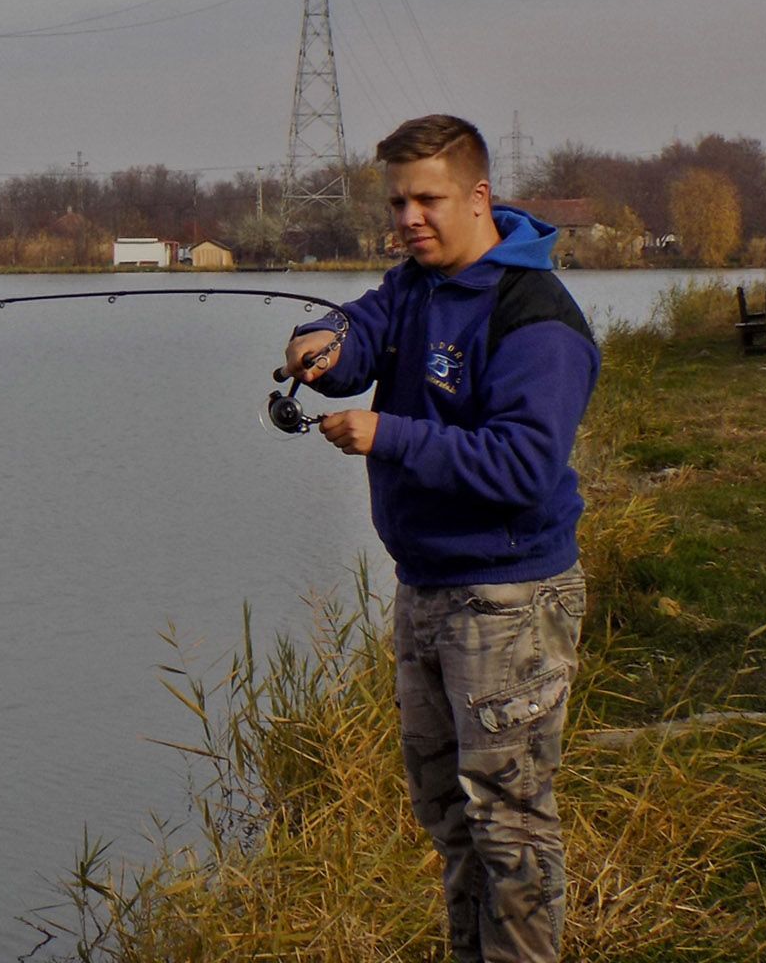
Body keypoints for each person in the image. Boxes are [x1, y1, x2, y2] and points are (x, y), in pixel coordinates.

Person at [282, 114, 599, 963]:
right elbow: (364, 329)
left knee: (510, 828)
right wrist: (322, 344)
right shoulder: (413, 284)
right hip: (425, 586)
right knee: (451, 821)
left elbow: (524, 466)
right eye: (398, 202)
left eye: (429, 200)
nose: (410, 218)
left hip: (510, 599)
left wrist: (388, 434)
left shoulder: (537, 317)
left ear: (479, 197)